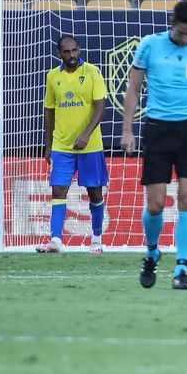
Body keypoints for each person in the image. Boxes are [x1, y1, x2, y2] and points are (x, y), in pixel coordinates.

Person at [121, 0, 187, 290]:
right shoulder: (149, 45)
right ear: (171, 23)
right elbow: (133, 89)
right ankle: (153, 251)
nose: (186, 38)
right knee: (155, 205)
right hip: (157, 129)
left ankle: (181, 268)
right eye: (182, 33)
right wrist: (127, 130)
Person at [39, 35, 108, 254]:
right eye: (67, 52)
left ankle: (96, 240)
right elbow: (49, 111)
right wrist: (48, 145)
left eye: (74, 50)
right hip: (62, 145)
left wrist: (86, 134)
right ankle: (56, 240)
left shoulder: (92, 72)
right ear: (60, 54)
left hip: (90, 145)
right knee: (58, 190)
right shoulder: (52, 77)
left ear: (79, 50)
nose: (71, 55)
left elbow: (100, 106)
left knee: (95, 193)